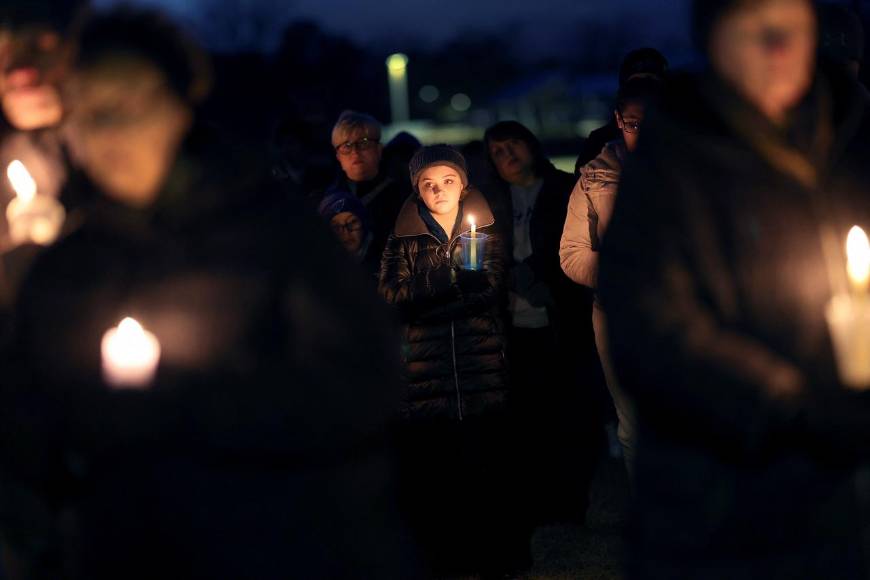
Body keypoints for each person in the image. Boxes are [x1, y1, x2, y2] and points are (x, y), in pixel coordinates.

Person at [0, 8, 417, 579]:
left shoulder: (275, 234)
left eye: (127, 107)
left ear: (182, 104)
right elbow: (29, 427)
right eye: (88, 113)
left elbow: (362, 383)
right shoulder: (69, 265)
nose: (107, 133)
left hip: (281, 545)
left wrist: (183, 406)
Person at [598, 0, 870, 577]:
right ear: (713, 44)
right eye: (754, 31)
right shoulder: (672, 157)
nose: (777, 48)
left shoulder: (853, 144)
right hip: (712, 500)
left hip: (840, 507)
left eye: (791, 30)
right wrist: (786, 397)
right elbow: (651, 323)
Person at [379, 145, 530, 577]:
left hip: (480, 366)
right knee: (438, 477)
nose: (437, 190)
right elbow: (390, 296)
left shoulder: (482, 230)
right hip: (427, 375)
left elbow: (488, 291)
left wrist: (426, 303)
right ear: (416, 191)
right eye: (427, 184)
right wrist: (448, 287)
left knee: (487, 469)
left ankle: (498, 558)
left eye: (446, 181)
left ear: (462, 185)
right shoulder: (402, 237)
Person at [484, 120, 605, 524]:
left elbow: (573, 246)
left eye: (513, 144)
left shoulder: (562, 189)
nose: (508, 156)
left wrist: (539, 275)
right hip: (513, 324)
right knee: (527, 416)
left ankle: (571, 501)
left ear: (531, 144)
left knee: (569, 412)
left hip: (560, 319)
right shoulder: (490, 199)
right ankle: (536, 500)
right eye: (497, 151)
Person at [560, 76, 664, 482]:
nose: (643, 133)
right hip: (617, 314)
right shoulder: (595, 177)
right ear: (618, 120)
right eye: (633, 124)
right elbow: (571, 254)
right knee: (633, 420)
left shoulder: (695, 172)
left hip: (678, 312)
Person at [321, 110, 411, 261]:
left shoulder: (403, 197)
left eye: (363, 143)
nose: (355, 152)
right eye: (346, 146)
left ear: (379, 149)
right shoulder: (326, 200)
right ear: (338, 156)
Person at [574, 47, 668, 174]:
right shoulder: (599, 144)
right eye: (635, 87)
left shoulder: (683, 141)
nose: (643, 93)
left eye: (651, 86)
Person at [318, 189, 380, 279]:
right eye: (336, 227)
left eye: (352, 222)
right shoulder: (321, 271)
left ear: (364, 223)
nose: (346, 232)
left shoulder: (386, 260)